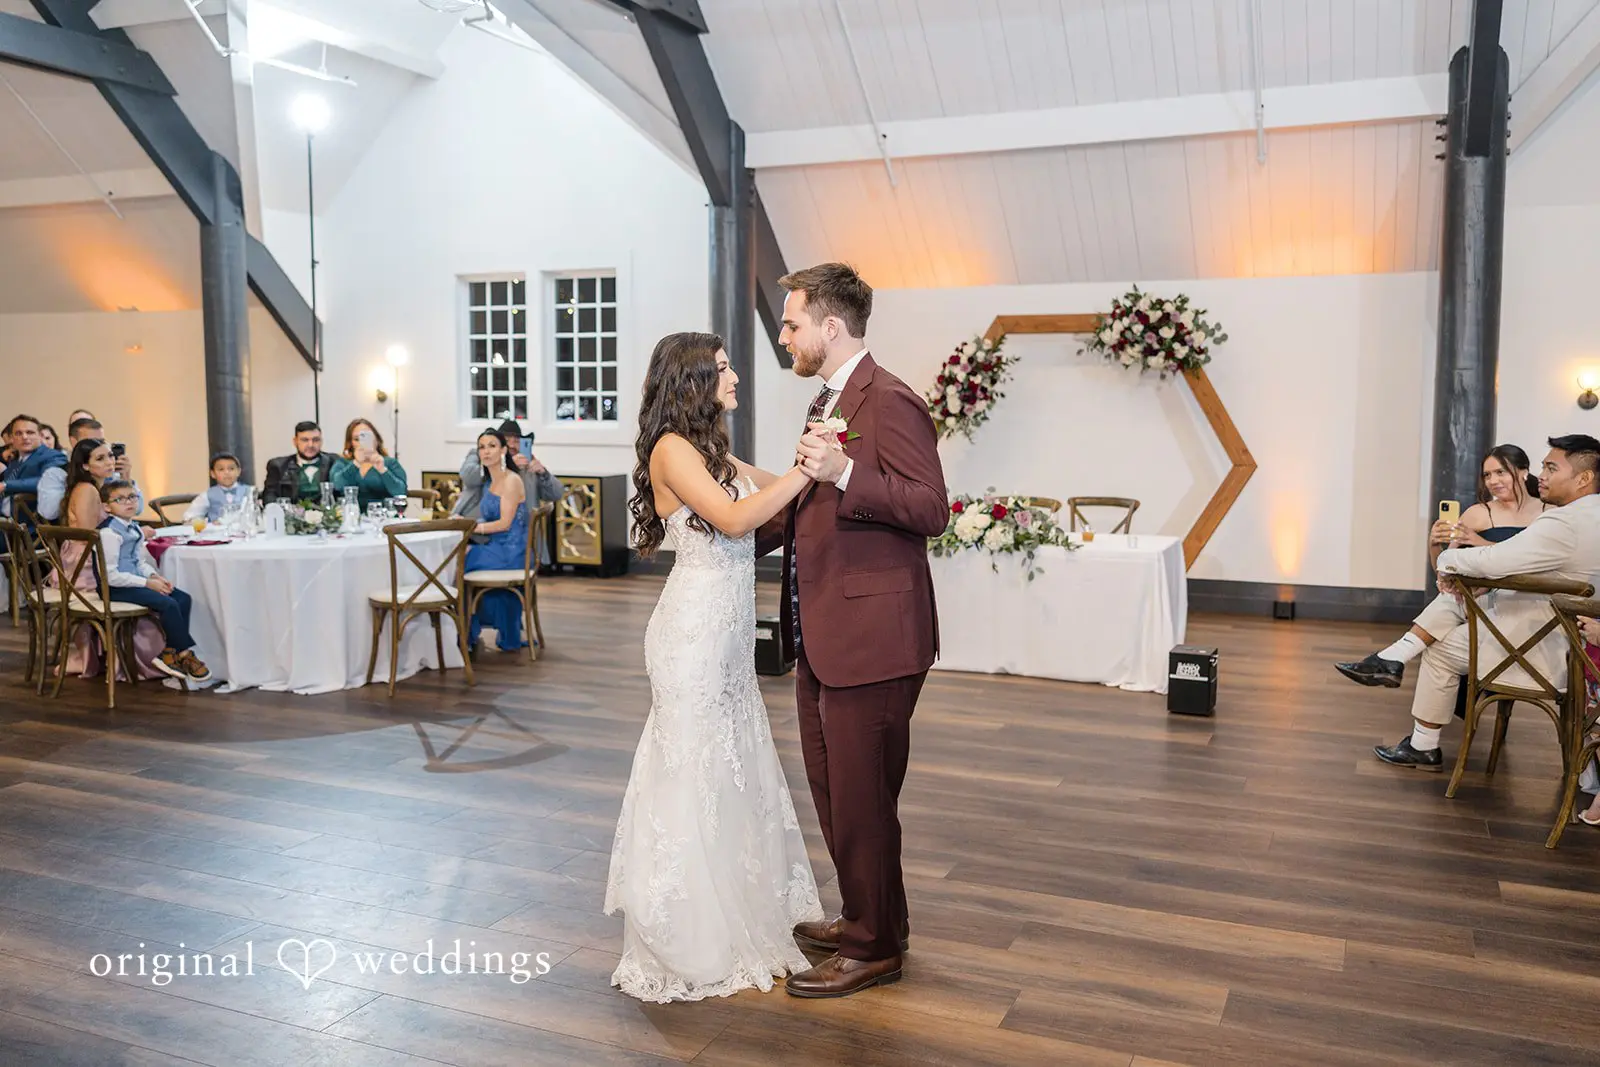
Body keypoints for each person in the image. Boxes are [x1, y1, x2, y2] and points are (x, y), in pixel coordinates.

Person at [604, 331, 822, 1004]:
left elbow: (768, 490)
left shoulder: (709, 450)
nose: (734, 378)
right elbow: (732, 519)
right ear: (693, 379)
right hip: (692, 635)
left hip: (726, 639)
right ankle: (689, 929)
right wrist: (807, 471)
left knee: (731, 763)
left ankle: (738, 905)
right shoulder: (671, 448)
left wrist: (815, 465)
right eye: (723, 369)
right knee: (692, 766)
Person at [761, 263, 949, 998]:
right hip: (825, 633)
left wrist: (844, 472)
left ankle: (873, 949)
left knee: (863, 798)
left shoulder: (891, 399)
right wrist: (727, 527)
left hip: (874, 640)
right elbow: (806, 507)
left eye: (792, 323)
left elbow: (931, 507)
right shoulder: (829, 399)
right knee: (839, 793)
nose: (785, 336)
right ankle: (871, 917)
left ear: (830, 327)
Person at [1373, 435, 1600, 768]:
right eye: (1487, 475)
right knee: (1460, 601)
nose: (1543, 476)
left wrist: (1448, 564)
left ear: (1584, 478)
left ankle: (1422, 739)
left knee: (1440, 649)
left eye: (1551, 468)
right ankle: (1396, 655)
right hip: (1573, 641)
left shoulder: (1561, 521)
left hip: (1536, 645)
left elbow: (1495, 562)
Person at [1336, 444, 1546, 687]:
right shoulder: (1478, 513)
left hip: (1524, 601)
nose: (1493, 481)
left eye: (1501, 472)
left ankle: (1393, 657)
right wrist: (1434, 545)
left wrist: (1479, 542)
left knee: (1450, 608)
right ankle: (1393, 658)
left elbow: (1533, 560)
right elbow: (1446, 566)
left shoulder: (1547, 512)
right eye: (1487, 475)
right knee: (1451, 598)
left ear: (1523, 471)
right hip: (1480, 599)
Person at [53, 439, 168, 683]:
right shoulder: (86, 490)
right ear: (85, 466)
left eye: (110, 456)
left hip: (95, 554)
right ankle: (144, 659)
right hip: (84, 563)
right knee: (141, 581)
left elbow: (123, 516)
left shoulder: (100, 486)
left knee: (142, 570)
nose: (110, 462)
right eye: (101, 458)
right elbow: (89, 536)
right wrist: (134, 533)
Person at [98, 483, 210, 682]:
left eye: (132, 497)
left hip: (135, 581)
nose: (128, 502)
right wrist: (146, 583)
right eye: (120, 499)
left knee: (183, 599)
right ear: (107, 506)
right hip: (114, 588)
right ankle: (184, 653)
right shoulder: (109, 533)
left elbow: (138, 562)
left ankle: (169, 652)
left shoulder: (134, 527)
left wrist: (153, 576)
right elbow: (110, 575)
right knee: (168, 604)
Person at [454, 419, 565, 565]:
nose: (512, 445)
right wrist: (505, 463)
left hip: (515, 539)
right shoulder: (479, 454)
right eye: (507, 440)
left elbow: (557, 494)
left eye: (516, 441)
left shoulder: (527, 466)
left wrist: (543, 473)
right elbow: (468, 476)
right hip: (473, 534)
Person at [462, 430, 530, 653]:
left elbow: (504, 524)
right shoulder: (491, 481)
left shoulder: (511, 480)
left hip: (511, 550)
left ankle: (465, 632)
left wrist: (470, 528)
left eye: (492, 446)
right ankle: (467, 629)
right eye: (482, 447)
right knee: (461, 556)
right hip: (496, 545)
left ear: (503, 450)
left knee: (458, 563)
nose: (486, 451)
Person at [38, 417, 144, 521]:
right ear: (74, 441)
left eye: (101, 441)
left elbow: (138, 509)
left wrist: (125, 478)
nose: (98, 446)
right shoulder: (57, 474)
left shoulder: (112, 474)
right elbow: (48, 512)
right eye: (90, 442)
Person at [330, 418, 407, 512]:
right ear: (351, 443)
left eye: (366, 437)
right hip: (351, 515)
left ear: (376, 439)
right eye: (356, 439)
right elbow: (337, 486)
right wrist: (356, 464)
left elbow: (401, 493)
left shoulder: (390, 463)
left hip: (385, 515)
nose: (361, 442)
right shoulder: (342, 463)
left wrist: (383, 470)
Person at [0, 414, 67, 520]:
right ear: (12, 438)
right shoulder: (14, 460)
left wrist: (6, 485)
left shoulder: (53, 456)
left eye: (30, 432)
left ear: (40, 436)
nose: (24, 437)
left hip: (33, 525)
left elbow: (46, 482)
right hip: (6, 521)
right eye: (18, 433)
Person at [261, 421, 336, 505]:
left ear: (321, 441)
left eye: (315, 440)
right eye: (305, 440)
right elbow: (269, 497)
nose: (310, 445)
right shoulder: (278, 466)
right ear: (295, 441)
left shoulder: (334, 463)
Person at [183, 453, 255, 524]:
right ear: (213, 474)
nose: (226, 472)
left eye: (231, 469)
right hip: (217, 531)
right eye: (221, 469)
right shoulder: (207, 495)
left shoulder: (250, 491)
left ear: (238, 471)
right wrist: (206, 523)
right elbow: (189, 517)